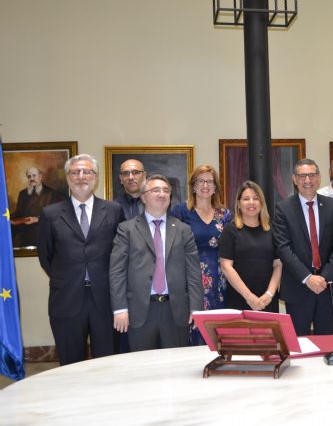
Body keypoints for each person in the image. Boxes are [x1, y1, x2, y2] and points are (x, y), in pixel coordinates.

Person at [37, 154, 124, 365]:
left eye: (87, 172)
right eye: (75, 172)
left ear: (95, 177)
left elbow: (121, 253)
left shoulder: (113, 210)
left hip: (105, 300)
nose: (81, 177)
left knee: (107, 363)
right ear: (68, 178)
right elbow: (45, 256)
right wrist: (68, 276)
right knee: (70, 365)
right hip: (66, 299)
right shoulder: (50, 214)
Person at [110, 174, 203, 351]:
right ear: (143, 197)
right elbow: (117, 272)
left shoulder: (183, 230)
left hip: (175, 311)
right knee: (143, 370)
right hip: (139, 311)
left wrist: (196, 308)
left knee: (175, 368)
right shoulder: (127, 229)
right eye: (155, 190)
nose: (162, 194)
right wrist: (119, 308)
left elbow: (193, 273)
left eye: (166, 190)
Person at [273, 158, 333, 336]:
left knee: (327, 341)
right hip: (298, 287)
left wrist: (324, 277)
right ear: (294, 179)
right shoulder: (283, 209)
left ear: (319, 178)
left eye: (312, 175)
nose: (307, 180)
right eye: (302, 176)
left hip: (326, 287)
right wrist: (307, 278)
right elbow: (284, 248)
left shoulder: (332, 205)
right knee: (300, 343)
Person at [170, 165, 232, 344]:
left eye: (210, 181)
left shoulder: (224, 214)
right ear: (193, 186)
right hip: (191, 279)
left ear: (215, 188)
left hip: (220, 280)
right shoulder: (180, 212)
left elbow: (231, 248)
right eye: (201, 181)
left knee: (219, 330)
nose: (205, 185)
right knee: (194, 330)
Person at [219, 181, 281, 312]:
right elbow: (226, 266)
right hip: (239, 298)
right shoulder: (230, 230)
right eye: (246, 199)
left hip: (267, 301)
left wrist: (269, 294)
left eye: (256, 198)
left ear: (261, 203)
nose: (251, 202)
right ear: (239, 204)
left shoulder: (271, 231)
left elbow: (278, 265)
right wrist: (249, 297)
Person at [11, 166, 65, 248]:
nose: (31, 178)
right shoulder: (22, 194)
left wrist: (37, 219)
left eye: (34, 175)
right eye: (29, 176)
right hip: (26, 234)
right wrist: (10, 219)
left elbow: (57, 215)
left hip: (44, 233)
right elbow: (18, 212)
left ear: (40, 176)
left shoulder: (52, 193)